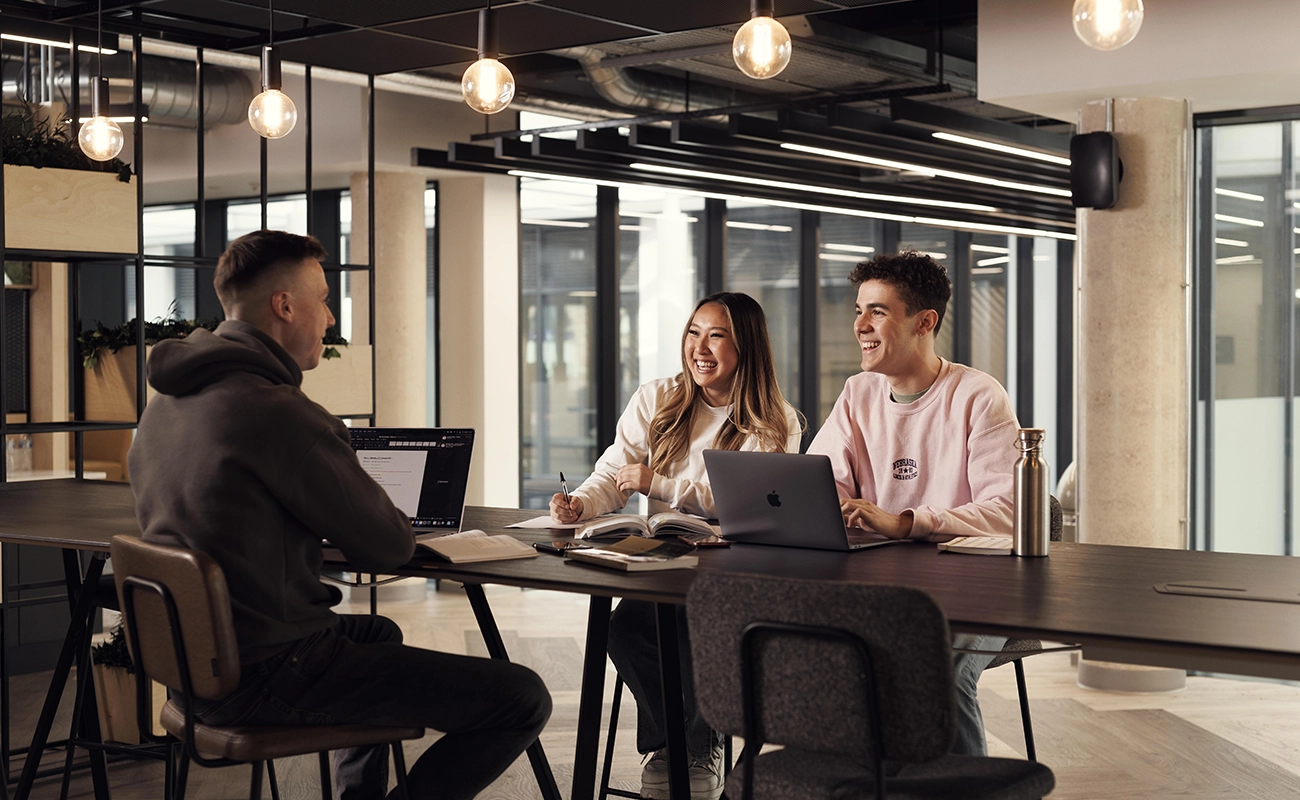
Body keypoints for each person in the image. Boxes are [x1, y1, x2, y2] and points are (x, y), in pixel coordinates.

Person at [129, 230, 551, 800]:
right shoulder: (282, 413)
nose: (329, 318)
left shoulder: (165, 406)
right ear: (284, 306)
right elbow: (387, 546)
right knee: (521, 698)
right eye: (324, 299)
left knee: (378, 631)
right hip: (271, 668)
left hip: (196, 666)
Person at [551, 292, 801, 800]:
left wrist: (661, 484)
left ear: (746, 344)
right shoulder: (658, 396)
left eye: (717, 335)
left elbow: (748, 509)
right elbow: (613, 472)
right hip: (663, 562)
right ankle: (678, 744)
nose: (700, 348)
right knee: (622, 633)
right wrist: (579, 504)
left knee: (690, 631)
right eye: (694, 332)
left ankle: (693, 745)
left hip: (736, 565)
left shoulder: (776, 419)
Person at [807, 250, 1018, 757]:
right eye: (858, 309)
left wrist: (907, 522)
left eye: (877, 311)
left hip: (978, 587)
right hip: (883, 582)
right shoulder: (858, 393)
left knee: (934, 666)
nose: (860, 324)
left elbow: (1009, 511)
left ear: (925, 322)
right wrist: (827, 506)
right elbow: (818, 482)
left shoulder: (978, 396)